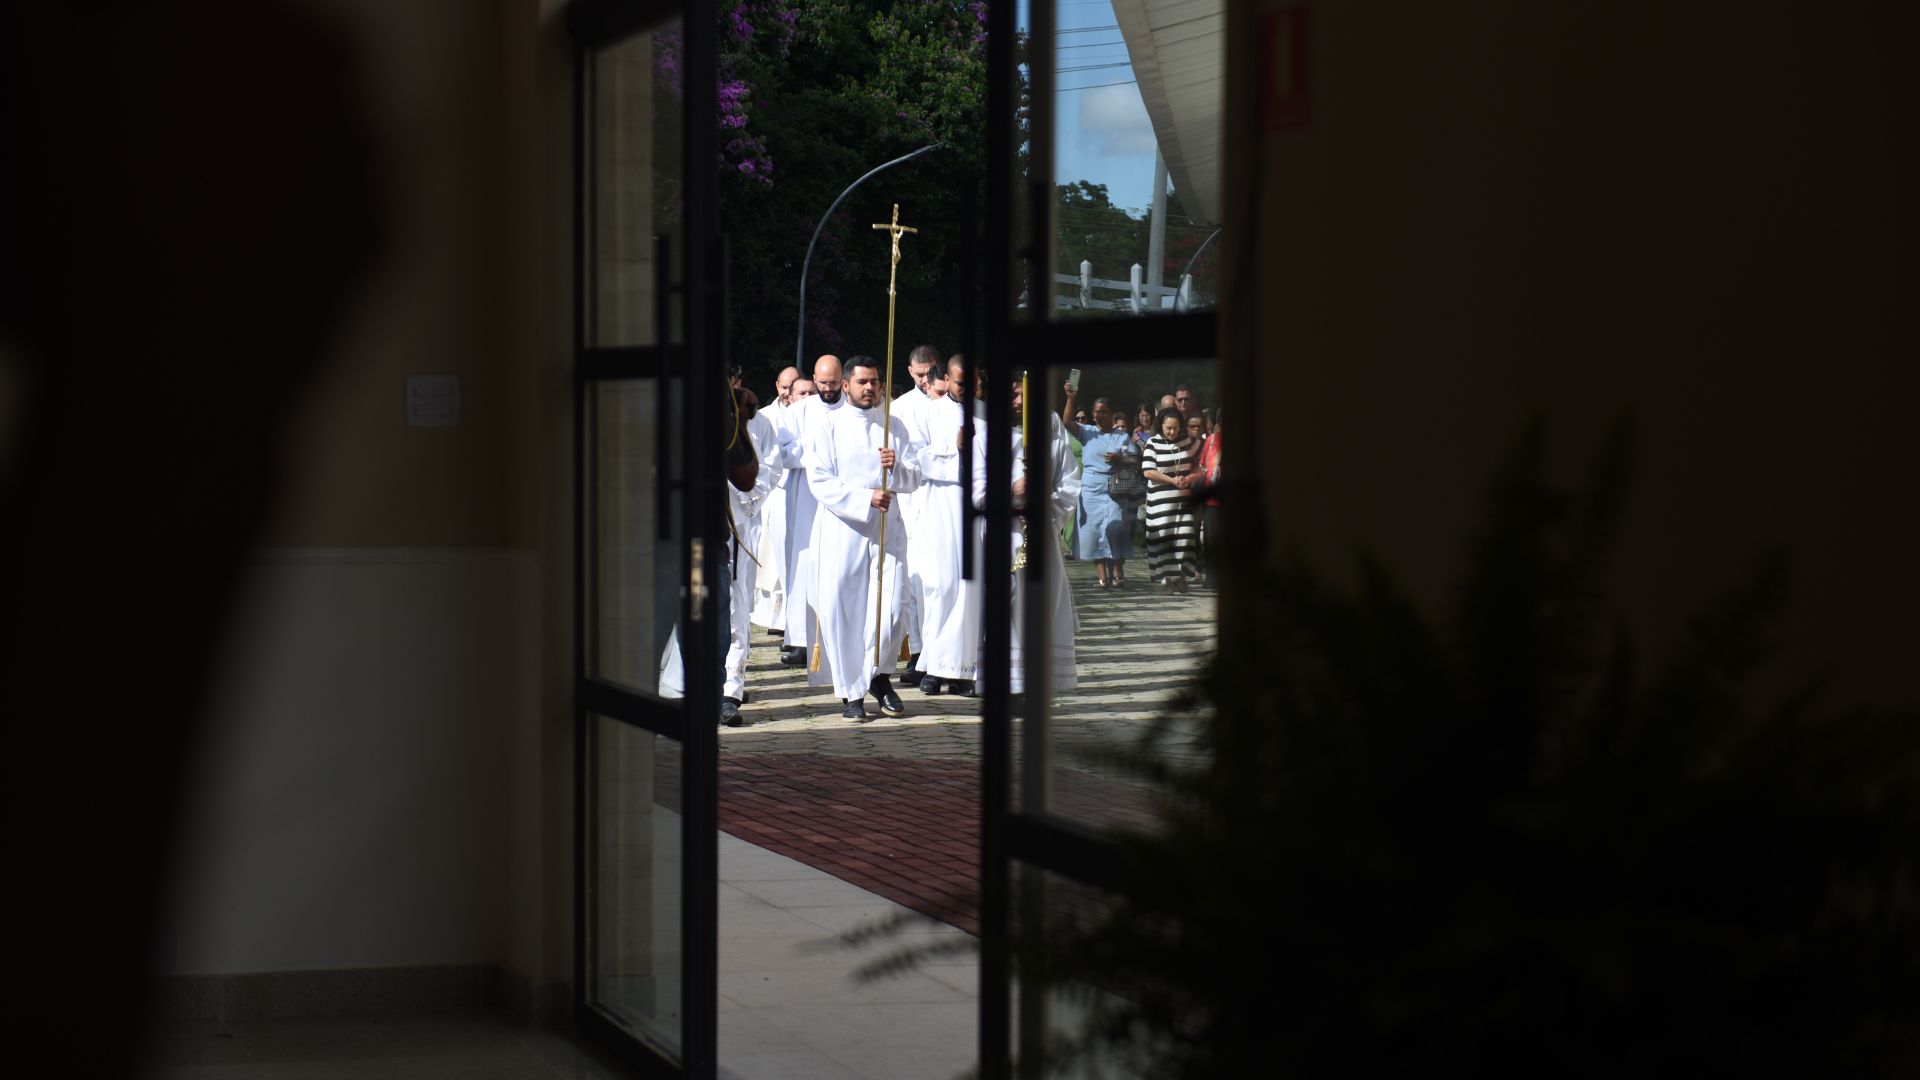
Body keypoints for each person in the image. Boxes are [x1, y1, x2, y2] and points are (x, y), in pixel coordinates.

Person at [805, 356, 924, 719]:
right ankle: (850, 693)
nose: (870, 388)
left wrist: (896, 467)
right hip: (844, 529)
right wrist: (864, 497)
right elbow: (819, 480)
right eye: (862, 382)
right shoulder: (828, 425)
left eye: (875, 382)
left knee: (889, 611)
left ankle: (877, 676)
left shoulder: (895, 426)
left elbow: (914, 479)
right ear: (846, 386)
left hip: (887, 531)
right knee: (846, 612)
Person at [912, 354, 994, 695]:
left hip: (975, 508)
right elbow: (915, 458)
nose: (968, 389)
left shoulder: (987, 415)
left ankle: (961, 668)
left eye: (974, 382)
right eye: (961, 383)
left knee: (970, 590)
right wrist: (953, 448)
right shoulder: (928, 413)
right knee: (941, 587)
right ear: (946, 378)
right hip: (940, 505)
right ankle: (933, 665)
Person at [1006, 374, 1081, 701]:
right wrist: (1008, 493)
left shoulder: (1052, 430)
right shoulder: (987, 427)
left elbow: (1068, 482)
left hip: (1040, 529)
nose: (1019, 402)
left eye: (1025, 395)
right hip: (1001, 531)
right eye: (1014, 395)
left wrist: (1043, 501)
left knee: (1038, 600)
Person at [773, 356, 846, 666]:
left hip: (840, 497)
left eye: (833, 383)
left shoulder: (851, 411)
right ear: (814, 379)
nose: (827, 389)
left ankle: (834, 637)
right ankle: (802, 638)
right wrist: (813, 449)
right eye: (822, 383)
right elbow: (783, 452)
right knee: (804, 564)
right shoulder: (798, 411)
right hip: (805, 496)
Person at [891, 343, 946, 686]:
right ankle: (918, 650)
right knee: (913, 581)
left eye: (931, 374)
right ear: (910, 371)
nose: (925, 381)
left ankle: (939, 652)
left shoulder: (950, 404)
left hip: (943, 500)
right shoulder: (899, 408)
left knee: (941, 581)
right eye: (920, 374)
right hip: (911, 501)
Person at [1058, 382, 1139, 588]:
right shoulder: (1087, 431)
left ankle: (1117, 567)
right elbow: (1066, 422)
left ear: (1112, 414)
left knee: (1117, 527)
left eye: (1104, 411)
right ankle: (1102, 575)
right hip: (1091, 488)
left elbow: (1135, 461)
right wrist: (1070, 398)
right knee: (1093, 531)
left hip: (1115, 486)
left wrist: (1120, 458)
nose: (1100, 415)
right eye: (1096, 412)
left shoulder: (1122, 435)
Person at [1141, 407, 1201, 593]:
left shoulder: (1189, 443)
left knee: (1184, 540)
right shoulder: (1153, 443)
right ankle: (1167, 581)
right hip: (1160, 505)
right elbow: (1148, 471)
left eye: (1175, 428)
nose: (1172, 432)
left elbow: (1199, 468)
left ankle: (1182, 577)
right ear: (1161, 426)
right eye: (1168, 428)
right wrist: (1171, 480)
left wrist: (1188, 479)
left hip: (1183, 504)